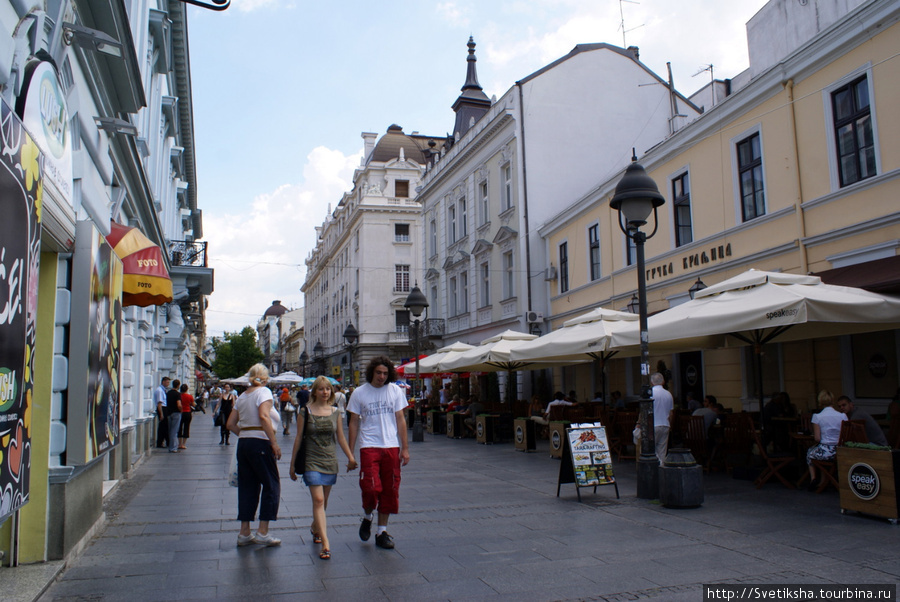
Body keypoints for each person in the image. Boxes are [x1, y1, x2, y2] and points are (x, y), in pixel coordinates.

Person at [289, 376, 357, 560]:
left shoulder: (335, 411)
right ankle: (326, 544)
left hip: (329, 460)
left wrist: (351, 457)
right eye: (321, 389)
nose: (325, 392)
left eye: (328, 389)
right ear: (314, 392)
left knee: (323, 502)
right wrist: (292, 465)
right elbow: (298, 438)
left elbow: (341, 438)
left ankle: (315, 526)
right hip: (311, 460)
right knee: (318, 500)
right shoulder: (305, 411)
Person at [347, 356, 410, 550]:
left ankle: (381, 531)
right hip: (369, 446)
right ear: (371, 372)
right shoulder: (359, 393)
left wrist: (405, 448)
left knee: (390, 489)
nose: (382, 377)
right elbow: (354, 422)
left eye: (385, 373)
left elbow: (400, 419)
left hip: (391, 445)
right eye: (378, 373)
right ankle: (367, 516)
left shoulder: (395, 391)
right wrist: (351, 453)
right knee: (370, 487)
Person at [226, 363, 282, 547]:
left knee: (248, 487)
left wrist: (245, 435)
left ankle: (244, 532)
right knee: (271, 484)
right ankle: (263, 531)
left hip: (244, 443)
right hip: (261, 442)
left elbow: (230, 424)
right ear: (265, 378)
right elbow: (264, 416)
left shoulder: (242, 395)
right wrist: (273, 442)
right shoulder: (263, 392)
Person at [805, 390, 847, 491]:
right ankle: (823, 481)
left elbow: (817, 438)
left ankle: (814, 478)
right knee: (819, 454)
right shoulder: (842, 416)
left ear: (820, 401)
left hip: (825, 451)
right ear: (832, 400)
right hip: (840, 451)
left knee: (810, 453)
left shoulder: (817, 417)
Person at [651, 372, 674, 465]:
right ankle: (661, 468)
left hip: (653, 425)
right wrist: (670, 425)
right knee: (662, 451)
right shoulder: (668, 394)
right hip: (665, 424)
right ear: (663, 382)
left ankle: (654, 469)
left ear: (652, 382)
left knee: (651, 450)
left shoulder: (650, 393)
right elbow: (671, 413)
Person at [165, 379, 183, 453]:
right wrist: (181, 409)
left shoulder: (168, 393)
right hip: (176, 413)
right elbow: (178, 404)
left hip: (169, 413)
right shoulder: (177, 394)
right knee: (174, 431)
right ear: (178, 385)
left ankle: (170, 446)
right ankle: (174, 447)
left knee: (170, 430)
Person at [154, 377, 170, 448]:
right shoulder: (160, 390)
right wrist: (161, 414)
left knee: (164, 427)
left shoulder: (163, 390)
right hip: (162, 409)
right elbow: (159, 403)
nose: (168, 384)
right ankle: (160, 442)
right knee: (162, 427)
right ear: (163, 382)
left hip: (164, 408)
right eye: (167, 382)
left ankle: (165, 441)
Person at [178, 383, 195, 450]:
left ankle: (179, 443)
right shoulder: (189, 396)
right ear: (187, 389)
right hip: (187, 412)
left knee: (179, 428)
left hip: (180, 413)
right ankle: (183, 444)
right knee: (186, 427)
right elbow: (193, 404)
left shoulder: (179, 396)